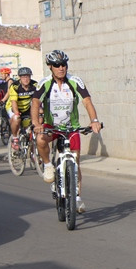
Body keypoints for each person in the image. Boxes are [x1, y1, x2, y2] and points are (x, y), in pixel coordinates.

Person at [31, 50, 102, 214]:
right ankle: (48, 165)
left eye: (63, 64)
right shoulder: (45, 83)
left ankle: (76, 199)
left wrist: (94, 121)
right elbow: (35, 103)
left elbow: (87, 101)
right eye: (57, 65)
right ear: (50, 67)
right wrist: (36, 123)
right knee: (40, 139)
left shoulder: (75, 81)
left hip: (72, 127)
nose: (61, 68)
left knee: (75, 163)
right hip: (52, 126)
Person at [6, 67, 38, 150]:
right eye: (23, 77)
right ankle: (15, 138)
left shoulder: (35, 85)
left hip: (27, 107)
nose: (26, 79)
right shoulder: (15, 86)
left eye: (28, 76)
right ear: (20, 78)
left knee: (39, 119)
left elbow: (37, 100)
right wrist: (16, 113)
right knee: (16, 118)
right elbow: (14, 102)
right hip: (13, 106)